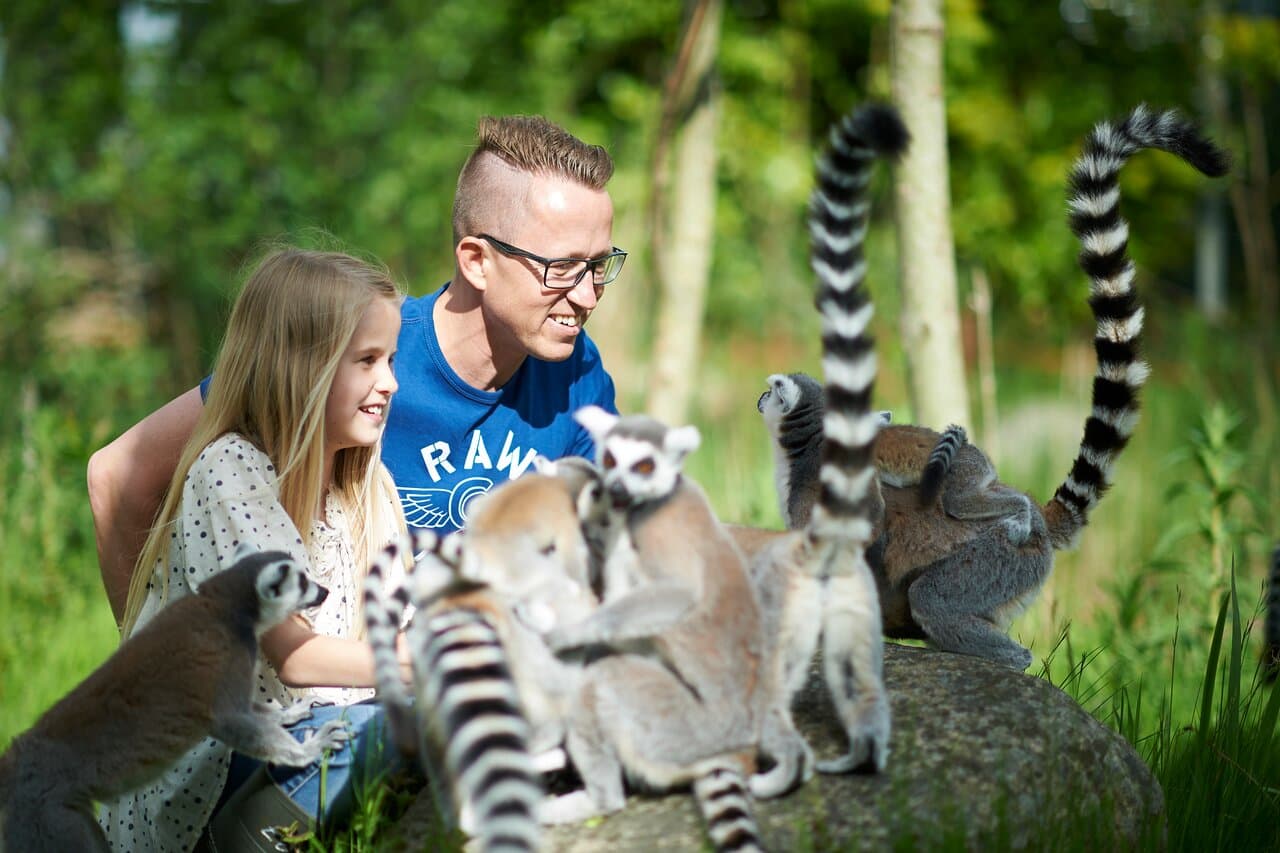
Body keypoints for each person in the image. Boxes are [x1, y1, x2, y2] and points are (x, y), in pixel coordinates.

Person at [89, 114, 625, 625]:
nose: (587, 295)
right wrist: (154, 677)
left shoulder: (579, 374)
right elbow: (117, 477)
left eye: (599, 265)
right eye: (562, 269)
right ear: (476, 261)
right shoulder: (355, 358)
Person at [96, 247, 413, 852]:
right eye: (368, 361)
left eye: (392, 359)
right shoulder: (232, 472)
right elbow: (294, 657)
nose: (391, 382)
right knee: (401, 731)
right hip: (219, 761)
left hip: (321, 729)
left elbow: (401, 623)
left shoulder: (367, 487)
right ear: (304, 365)